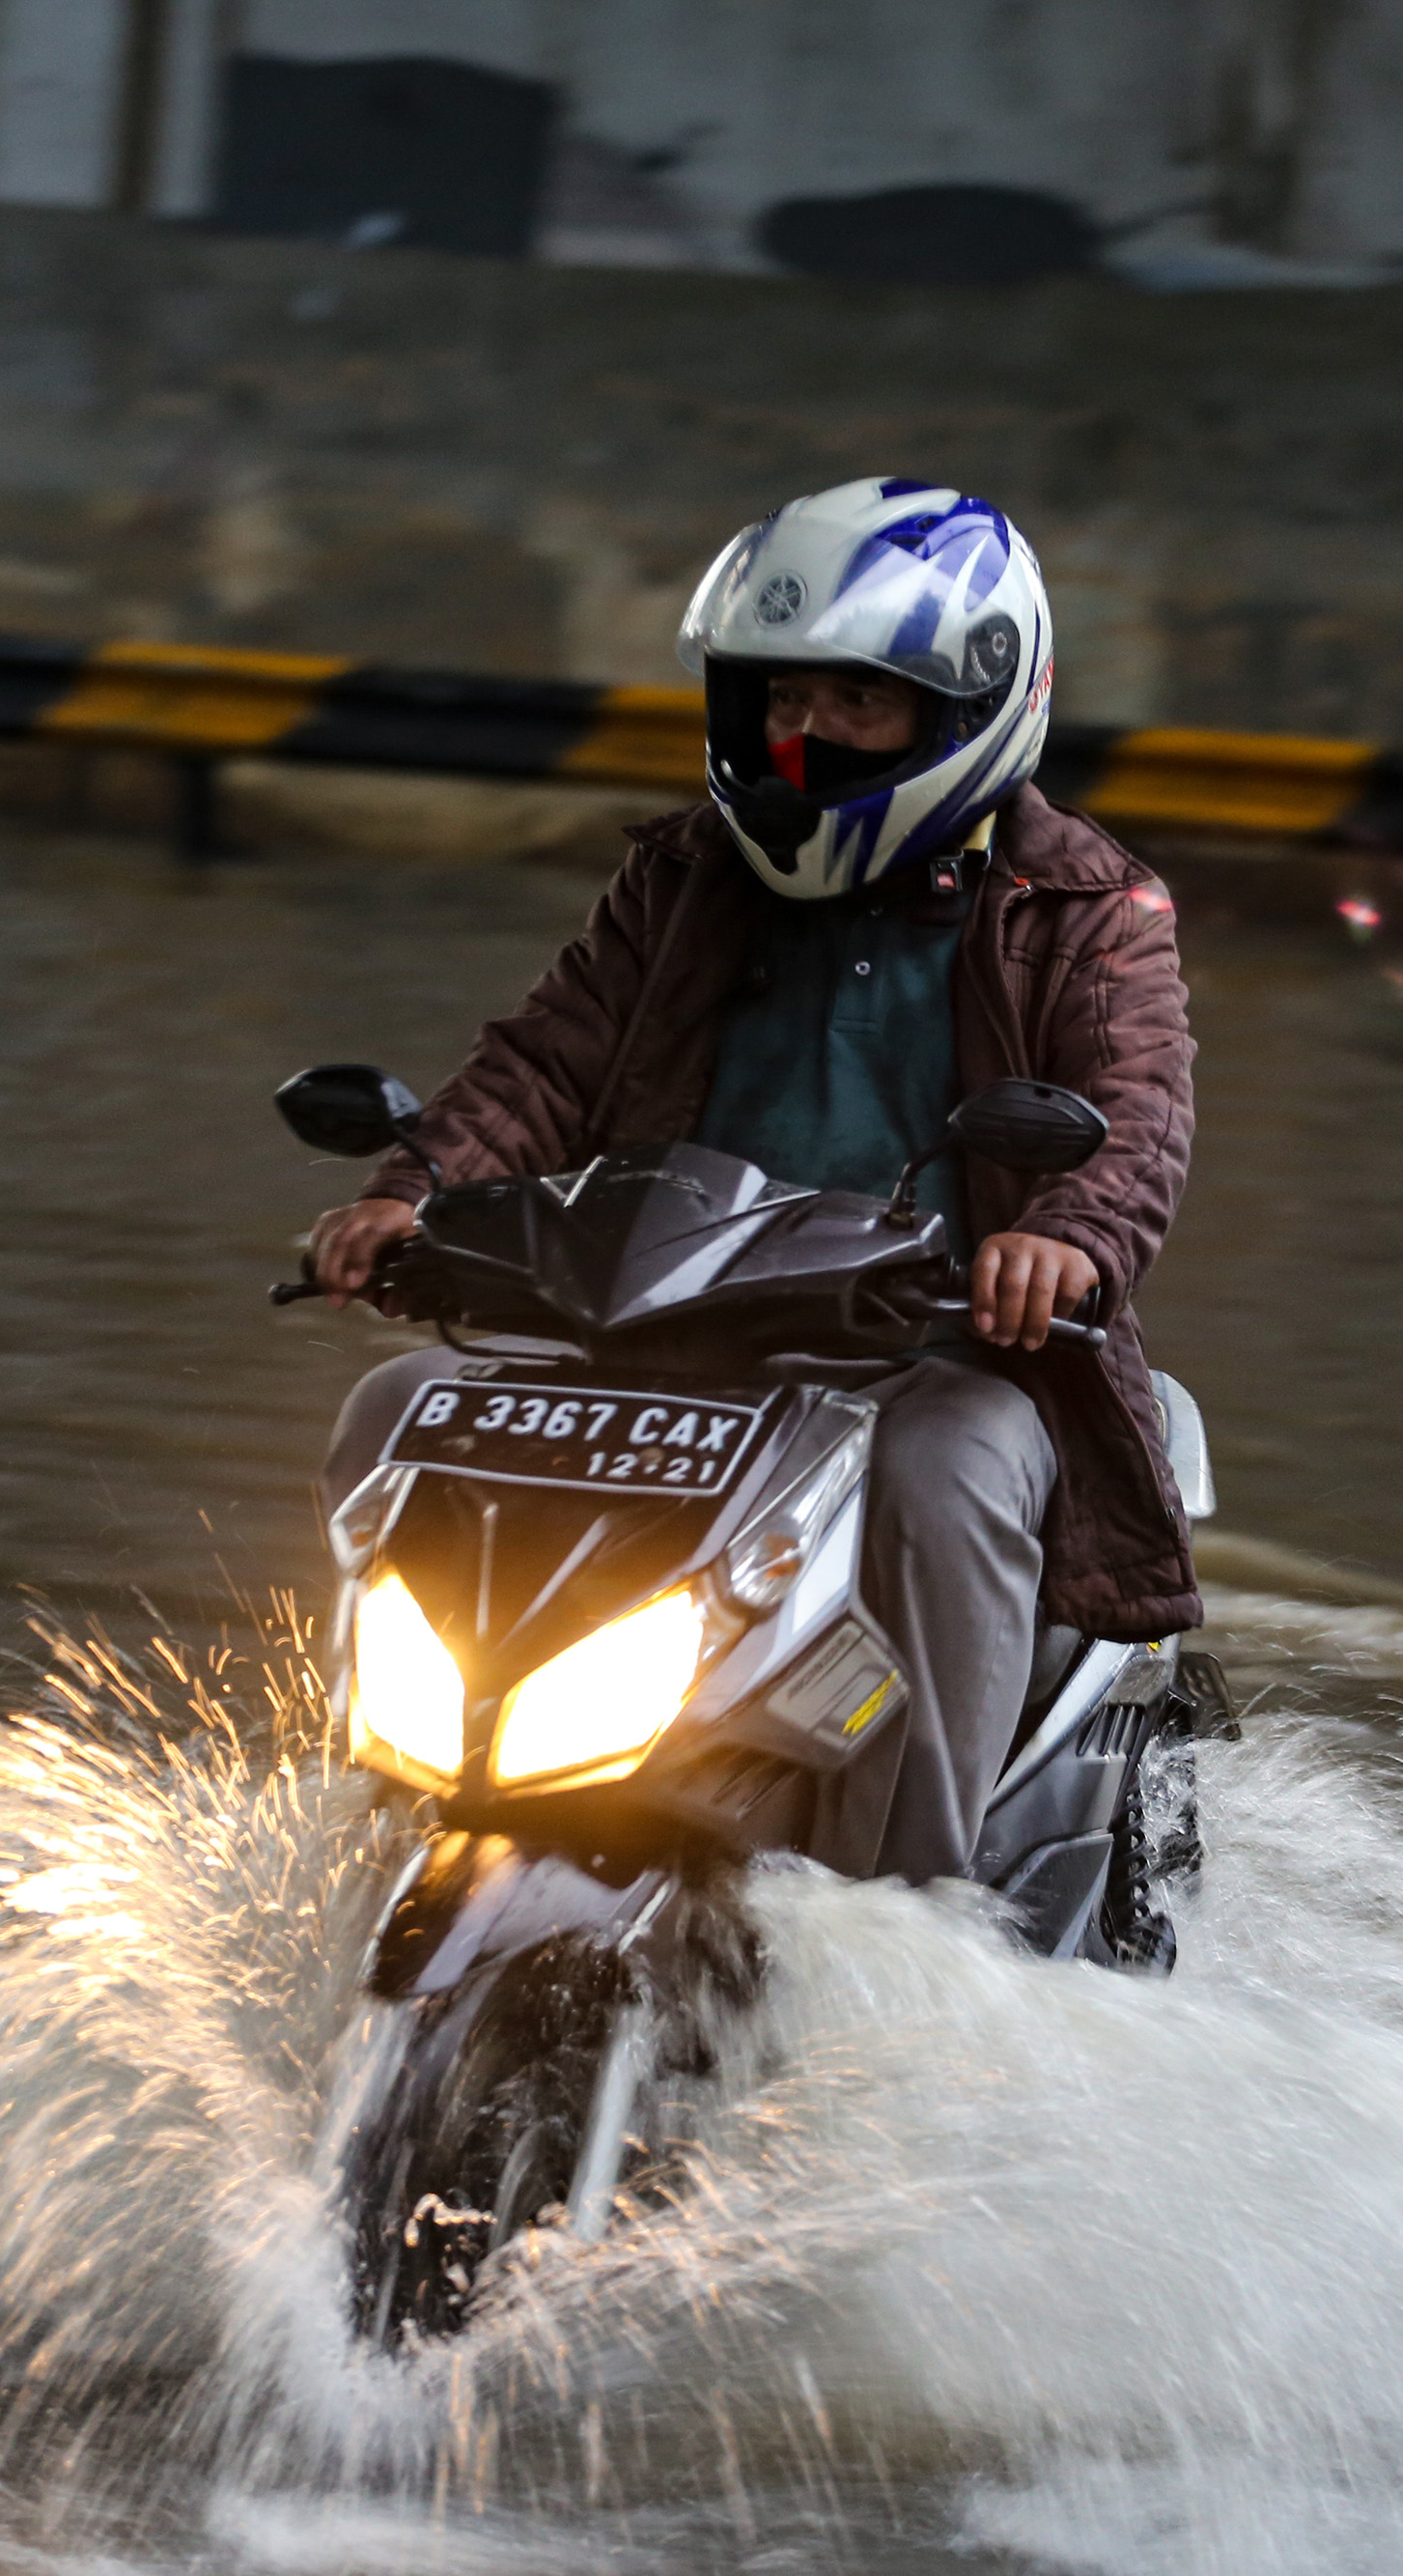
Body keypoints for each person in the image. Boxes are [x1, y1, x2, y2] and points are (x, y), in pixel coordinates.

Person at [303, 477, 1199, 1882]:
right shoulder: (684, 875)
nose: (807, 734)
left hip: (933, 1348)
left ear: (966, 709)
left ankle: (923, 1899)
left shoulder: (1089, 909)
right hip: (671, 1319)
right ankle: (389, 1789)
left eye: (858, 703)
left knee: (944, 1475)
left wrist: (1068, 1241)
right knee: (397, 1406)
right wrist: (410, 1189)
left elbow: (1135, 1116)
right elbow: (544, 1061)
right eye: (783, 698)